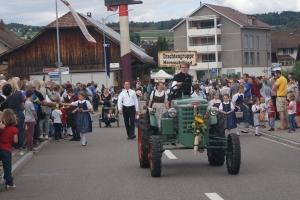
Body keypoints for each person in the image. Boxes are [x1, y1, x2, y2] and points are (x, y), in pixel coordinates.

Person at [0, 109, 18, 190]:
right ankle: (9, 183)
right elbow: (15, 141)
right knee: (7, 167)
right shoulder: (14, 129)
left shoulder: (1, 127)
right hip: (6, 149)